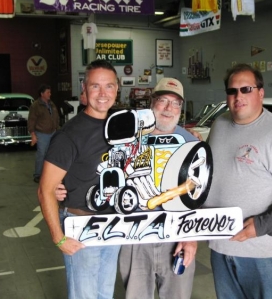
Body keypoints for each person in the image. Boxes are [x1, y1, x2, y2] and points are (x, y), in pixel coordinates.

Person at [55, 77, 199, 299]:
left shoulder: (190, 141)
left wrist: (191, 238)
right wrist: (64, 186)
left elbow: (200, 195)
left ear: (181, 107)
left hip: (175, 236)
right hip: (134, 239)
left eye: (175, 103)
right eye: (162, 100)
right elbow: (96, 167)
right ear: (152, 103)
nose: (168, 108)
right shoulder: (127, 136)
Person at [204, 63, 272, 299]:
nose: (239, 96)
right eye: (232, 91)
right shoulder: (220, 124)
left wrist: (261, 226)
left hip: (261, 252)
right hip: (220, 245)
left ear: (260, 92)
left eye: (246, 89)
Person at [38, 60, 121, 299]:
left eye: (109, 86)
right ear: (84, 89)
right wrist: (58, 236)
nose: (103, 94)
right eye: (96, 86)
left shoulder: (120, 125)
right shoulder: (69, 134)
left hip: (113, 224)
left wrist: (190, 135)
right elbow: (45, 190)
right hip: (81, 225)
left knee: (105, 293)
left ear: (117, 89)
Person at [28, 84, 59, 183]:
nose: (50, 94)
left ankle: (49, 174)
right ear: (42, 94)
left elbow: (56, 117)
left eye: (50, 92)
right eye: (48, 92)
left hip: (53, 132)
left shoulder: (52, 104)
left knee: (52, 154)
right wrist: (33, 134)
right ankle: (37, 174)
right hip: (42, 134)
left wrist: (57, 129)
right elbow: (31, 120)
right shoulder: (36, 105)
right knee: (41, 154)